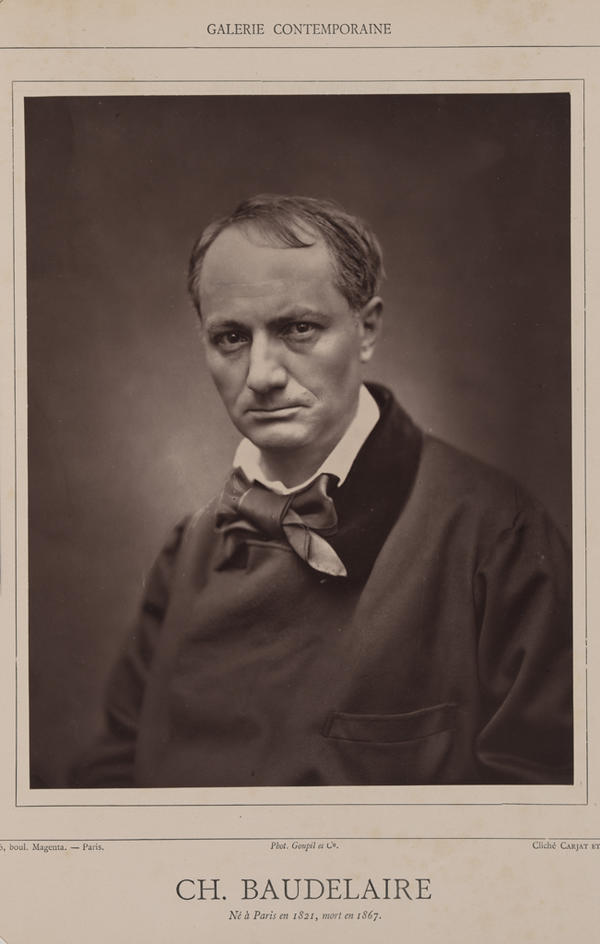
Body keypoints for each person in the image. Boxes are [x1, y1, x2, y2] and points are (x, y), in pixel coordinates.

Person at [74, 194, 573, 788]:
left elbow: (541, 808)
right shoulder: (187, 550)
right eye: (231, 337)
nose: (262, 375)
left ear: (367, 330)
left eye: (298, 329)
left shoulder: (499, 536)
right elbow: (109, 779)